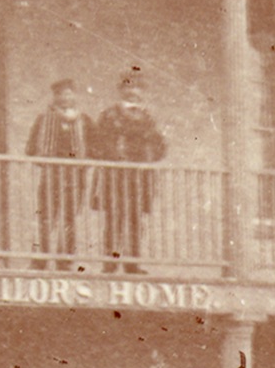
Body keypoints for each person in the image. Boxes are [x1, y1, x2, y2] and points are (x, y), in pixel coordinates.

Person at [94, 71, 168, 271]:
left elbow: (160, 146)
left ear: (142, 92)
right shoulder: (109, 115)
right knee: (113, 220)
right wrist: (116, 157)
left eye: (137, 87)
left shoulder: (148, 118)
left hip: (138, 178)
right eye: (128, 87)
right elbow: (99, 142)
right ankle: (110, 263)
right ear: (121, 90)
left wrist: (148, 157)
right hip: (115, 176)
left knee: (135, 221)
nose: (133, 91)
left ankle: (132, 264)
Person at [25, 78, 92, 269]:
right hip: (51, 177)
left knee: (69, 219)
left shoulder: (83, 121)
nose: (66, 97)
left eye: (70, 93)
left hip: (75, 178)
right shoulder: (44, 119)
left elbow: (96, 147)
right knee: (45, 218)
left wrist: (81, 162)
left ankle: (65, 260)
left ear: (74, 96)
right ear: (56, 97)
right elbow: (31, 147)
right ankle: (40, 259)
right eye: (62, 93)